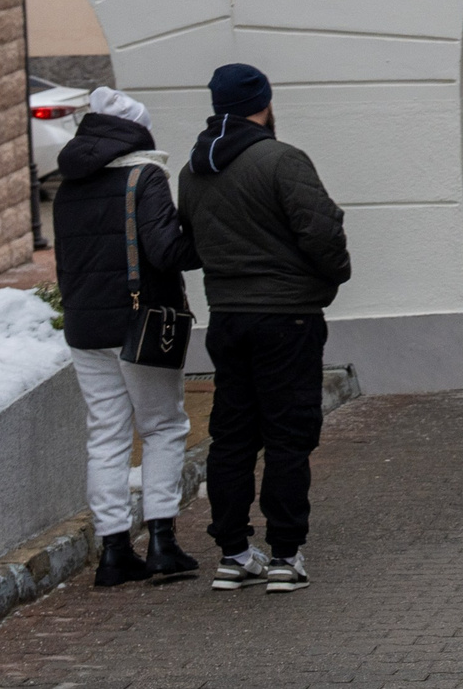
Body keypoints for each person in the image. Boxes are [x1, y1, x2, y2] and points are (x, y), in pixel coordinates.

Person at [179, 63, 352, 595]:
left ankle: (233, 554)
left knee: (231, 436)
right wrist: (332, 275)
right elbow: (320, 230)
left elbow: (189, 245)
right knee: (286, 435)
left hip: (227, 318)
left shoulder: (192, 171)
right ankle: (285, 555)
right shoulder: (281, 159)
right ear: (264, 102)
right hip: (288, 318)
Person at [54, 86, 201, 588]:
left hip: (83, 327)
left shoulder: (69, 183)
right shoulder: (145, 176)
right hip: (139, 326)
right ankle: (162, 542)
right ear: (137, 131)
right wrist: (199, 238)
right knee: (162, 427)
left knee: (107, 434)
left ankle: (113, 551)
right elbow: (166, 251)